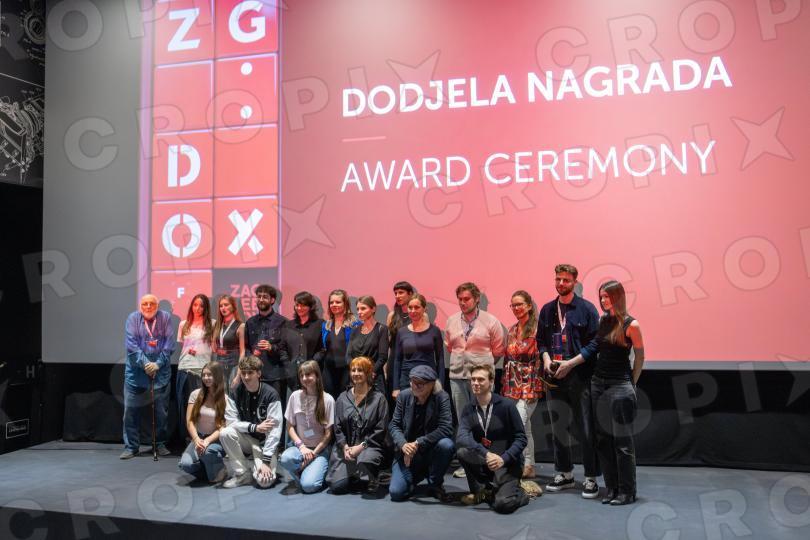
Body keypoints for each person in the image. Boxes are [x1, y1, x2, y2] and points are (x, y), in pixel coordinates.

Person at [558, 281, 645, 505]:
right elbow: (593, 348)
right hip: (598, 384)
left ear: (618, 297)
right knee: (603, 440)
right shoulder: (603, 320)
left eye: (607, 296)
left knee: (622, 443)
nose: (603, 300)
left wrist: (632, 384)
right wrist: (569, 364)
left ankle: (627, 491)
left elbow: (640, 357)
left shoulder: (631, 324)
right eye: (601, 297)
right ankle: (612, 489)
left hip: (620, 385)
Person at [536, 264, 602, 498]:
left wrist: (570, 364)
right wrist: (546, 360)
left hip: (580, 377)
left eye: (566, 280)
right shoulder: (547, 310)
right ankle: (564, 474)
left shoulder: (587, 309)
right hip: (554, 377)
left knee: (585, 428)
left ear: (575, 282)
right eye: (558, 279)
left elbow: (595, 344)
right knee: (558, 427)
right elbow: (541, 341)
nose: (561, 283)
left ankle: (591, 478)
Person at [443, 282, 505, 478]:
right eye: (460, 299)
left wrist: (483, 366)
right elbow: (450, 346)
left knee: (485, 419)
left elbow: (498, 350)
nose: (463, 302)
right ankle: (468, 462)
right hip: (457, 377)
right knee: (464, 421)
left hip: (481, 379)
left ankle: (487, 460)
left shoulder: (490, 321)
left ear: (477, 299)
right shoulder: (451, 320)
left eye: (467, 299)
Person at [456, 364, 529, 514]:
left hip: (507, 463)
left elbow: (521, 438)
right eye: (473, 379)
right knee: (462, 452)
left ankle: (522, 492)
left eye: (480, 379)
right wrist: (486, 453)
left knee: (502, 505)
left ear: (491, 382)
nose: (475, 383)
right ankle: (483, 490)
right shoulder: (469, 408)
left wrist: (503, 458)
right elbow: (461, 437)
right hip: (487, 460)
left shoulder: (506, 405)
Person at [388, 365, 454, 502]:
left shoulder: (442, 397)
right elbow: (394, 425)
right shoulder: (404, 396)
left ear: (432, 384)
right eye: (413, 381)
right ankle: (417, 476)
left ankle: (435, 483)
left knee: (447, 445)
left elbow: (446, 428)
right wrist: (403, 445)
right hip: (407, 453)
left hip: (430, 451)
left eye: (421, 383)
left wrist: (418, 442)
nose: (415, 386)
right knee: (396, 493)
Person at [121, 294, 175, 459]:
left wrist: (157, 364)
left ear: (157, 306)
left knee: (161, 413)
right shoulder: (133, 319)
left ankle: (159, 444)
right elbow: (132, 347)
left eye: (152, 304)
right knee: (130, 412)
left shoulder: (165, 318)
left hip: (160, 373)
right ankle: (131, 447)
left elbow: (169, 345)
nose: (148, 307)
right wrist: (146, 365)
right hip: (136, 374)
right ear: (140, 306)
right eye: (145, 304)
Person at [326, 356, 389, 494]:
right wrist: (344, 446)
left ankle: (369, 474)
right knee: (337, 487)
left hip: (368, 447)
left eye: (360, 370)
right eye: (353, 370)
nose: (356, 373)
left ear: (368, 373)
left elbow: (381, 430)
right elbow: (337, 427)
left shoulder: (379, 399)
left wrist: (361, 446)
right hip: (346, 449)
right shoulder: (342, 398)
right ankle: (354, 474)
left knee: (365, 469)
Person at [219, 355, 283, 489]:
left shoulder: (271, 394)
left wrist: (266, 461)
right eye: (243, 373)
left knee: (264, 482)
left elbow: (275, 432)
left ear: (258, 373)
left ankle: (259, 465)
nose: (246, 377)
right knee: (225, 432)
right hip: (247, 440)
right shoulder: (235, 393)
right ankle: (243, 474)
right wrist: (254, 427)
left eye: (250, 373)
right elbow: (231, 422)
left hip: (265, 443)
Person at [501, 290, 545, 479]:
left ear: (528, 305)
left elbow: (542, 357)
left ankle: (521, 463)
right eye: (513, 305)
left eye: (519, 304)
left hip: (529, 383)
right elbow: (507, 358)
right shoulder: (512, 329)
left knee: (519, 422)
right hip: (511, 384)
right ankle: (528, 466)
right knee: (524, 426)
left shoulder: (538, 329)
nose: (516, 308)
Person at [279, 360, 335, 493]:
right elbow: (289, 427)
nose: (304, 378)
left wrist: (313, 455)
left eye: (308, 374)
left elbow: (328, 434)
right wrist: (302, 447)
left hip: (320, 450)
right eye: (302, 375)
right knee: (285, 458)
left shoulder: (328, 400)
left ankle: (309, 471)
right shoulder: (295, 396)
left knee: (309, 486)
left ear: (317, 376)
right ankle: (305, 471)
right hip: (300, 448)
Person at [178, 361, 231, 483]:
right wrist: (197, 439)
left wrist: (207, 441)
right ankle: (211, 468)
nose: (206, 378)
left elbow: (222, 427)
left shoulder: (225, 399)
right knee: (185, 465)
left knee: (208, 454)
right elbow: (190, 421)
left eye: (210, 375)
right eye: (204, 375)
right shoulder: (195, 394)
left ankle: (218, 469)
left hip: (217, 439)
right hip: (199, 437)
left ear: (217, 376)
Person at [176, 294, 215, 441]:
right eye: (195, 305)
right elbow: (183, 346)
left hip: (202, 370)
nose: (197, 308)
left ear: (206, 308)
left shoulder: (212, 324)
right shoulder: (183, 324)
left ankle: (201, 437)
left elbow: (214, 347)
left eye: (201, 306)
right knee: (184, 405)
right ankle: (187, 438)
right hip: (184, 368)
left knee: (201, 406)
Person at [391, 294, 445, 397]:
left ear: (424, 309)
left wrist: (441, 384)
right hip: (406, 381)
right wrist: (396, 387)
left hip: (428, 380)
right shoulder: (402, 332)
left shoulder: (434, 331)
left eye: (417, 307)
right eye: (410, 307)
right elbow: (397, 360)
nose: (413, 311)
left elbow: (440, 360)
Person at [243, 284, 291, 399]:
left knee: (277, 407)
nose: (261, 299)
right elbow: (247, 347)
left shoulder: (282, 322)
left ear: (272, 300)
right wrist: (251, 356)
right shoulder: (250, 322)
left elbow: (286, 348)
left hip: (276, 376)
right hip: (254, 375)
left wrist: (271, 348)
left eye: (265, 297)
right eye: (259, 297)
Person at [314, 289, 358, 398]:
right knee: (329, 400)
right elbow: (324, 348)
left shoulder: (355, 324)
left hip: (347, 370)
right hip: (328, 371)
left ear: (345, 304)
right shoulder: (326, 325)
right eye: (331, 302)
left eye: (338, 302)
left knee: (346, 400)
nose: (334, 305)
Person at [346, 296, 389, 396]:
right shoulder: (354, 330)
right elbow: (348, 355)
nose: (359, 312)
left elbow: (382, 357)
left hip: (374, 378)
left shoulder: (381, 329)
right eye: (358, 309)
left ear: (373, 309)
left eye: (363, 308)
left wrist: (369, 373)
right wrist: (356, 371)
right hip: (356, 378)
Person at [285, 291, 324, 372]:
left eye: (303, 305)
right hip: (292, 370)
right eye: (297, 305)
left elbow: (323, 348)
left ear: (310, 306)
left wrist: (312, 362)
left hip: (313, 369)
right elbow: (284, 347)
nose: (299, 308)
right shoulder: (289, 325)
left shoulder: (320, 324)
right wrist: (288, 363)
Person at [212, 294, 245, 390]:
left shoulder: (240, 326)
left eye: (226, 305)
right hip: (219, 366)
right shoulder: (217, 325)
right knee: (221, 395)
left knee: (233, 394)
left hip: (234, 366)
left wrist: (238, 374)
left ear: (233, 307)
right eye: (221, 306)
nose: (223, 308)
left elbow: (243, 351)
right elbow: (213, 348)